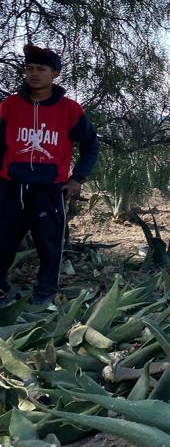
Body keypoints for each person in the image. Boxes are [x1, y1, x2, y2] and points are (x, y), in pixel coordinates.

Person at [0, 44, 100, 306]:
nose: (33, 74)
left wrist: (77, 178)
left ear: (54, 73)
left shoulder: (69, 109)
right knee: (3, 243)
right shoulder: (9, 106)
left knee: (49, 246)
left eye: (41, 69)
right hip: (11, 187)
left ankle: (44, 297)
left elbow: (91, 144)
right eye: (29, 68)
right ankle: (1, 292)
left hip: (49, 189)